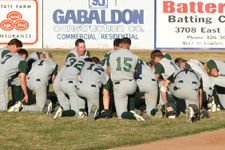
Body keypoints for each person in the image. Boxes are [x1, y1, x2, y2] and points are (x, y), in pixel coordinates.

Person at [107, 37, 146, 121]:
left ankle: (134, 116)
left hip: (119, 84)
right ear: (129, 45)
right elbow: (136, 71)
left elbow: (109, 69)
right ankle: (132, 110)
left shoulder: (112, 54)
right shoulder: (135, 56)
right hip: (131, 83)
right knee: (130, 93)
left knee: (121, 114)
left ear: (120, 44)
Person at [52, 39, 90, 113]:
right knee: (71, 105)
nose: (83, 49)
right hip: (63, 77)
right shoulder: (71, 55)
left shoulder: (87, 52)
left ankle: (62, 109)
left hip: (69, 77)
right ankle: (59, 108)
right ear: (76, 47)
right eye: (81, 47)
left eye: (84, 47)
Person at [75, 57, 110, 122]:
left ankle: (81, 111)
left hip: (79, 88)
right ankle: (94, 113)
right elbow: (106, 93)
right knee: (94, 107)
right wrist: (106, 109)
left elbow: (78, 77)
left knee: (80, 96)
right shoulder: (104, 70)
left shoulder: (86, 64)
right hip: (92, 89)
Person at [151, 49, 179, 119]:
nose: (154, 61)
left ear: (156, 58)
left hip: (173, 85)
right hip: (181, 82)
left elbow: (156, 77)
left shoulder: (160, 63)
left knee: (161, 85)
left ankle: (163, 107)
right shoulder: (170, 61)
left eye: (153, 59)